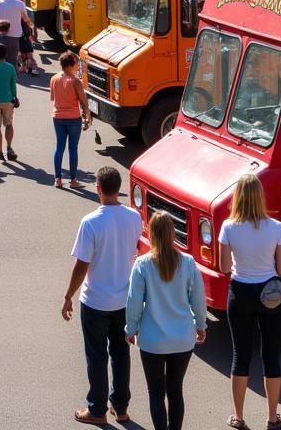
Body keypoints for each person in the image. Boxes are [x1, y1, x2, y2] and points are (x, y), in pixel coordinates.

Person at [62, 166, 143, 425]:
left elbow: (81, 265)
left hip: (96, 301)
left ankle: (96, 410)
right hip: (124, 300)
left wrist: (67, 296)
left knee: (97, 355)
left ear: (98, 187)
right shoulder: (134, 217)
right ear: (118, 188)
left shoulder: (91, 222)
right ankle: (120, 408)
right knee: (121, 353)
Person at [218, 174, 281, 430]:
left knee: (240, 355)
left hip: (240, 293)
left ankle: (238, 417)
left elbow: (225, 267)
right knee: (271, 355)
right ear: (260, 196)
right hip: (270, 295)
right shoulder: (276, 227)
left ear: (237, 197)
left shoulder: (228, 227)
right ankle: (272, 418)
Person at [125, 211, 207, 430]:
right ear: (173, 234)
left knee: (156, 393)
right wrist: (201, 325)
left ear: (151, 234)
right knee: (175, 390)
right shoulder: (188, 263)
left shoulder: (142, 265)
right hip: (182, 339)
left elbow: (133, 301)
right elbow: (198, 299)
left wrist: (130, 328)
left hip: (152, 340)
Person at [51, 51, 91, 188]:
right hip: (73, 118)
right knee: (73, 148)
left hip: (57, 117)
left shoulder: (54, 78)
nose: (77, 66)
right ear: (71, 64)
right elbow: (83, 102)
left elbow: (52, 98)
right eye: (76, 63)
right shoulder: (75, 81)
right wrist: (87, 117)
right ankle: (73, 180)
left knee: (59, 147)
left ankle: (58, 179)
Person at [0, 0, 31, 70]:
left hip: (1, 33)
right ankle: (11, 75)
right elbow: (25, 18)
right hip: (15, 35)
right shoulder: (20, 3)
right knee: (13, 58)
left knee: (0, 55)